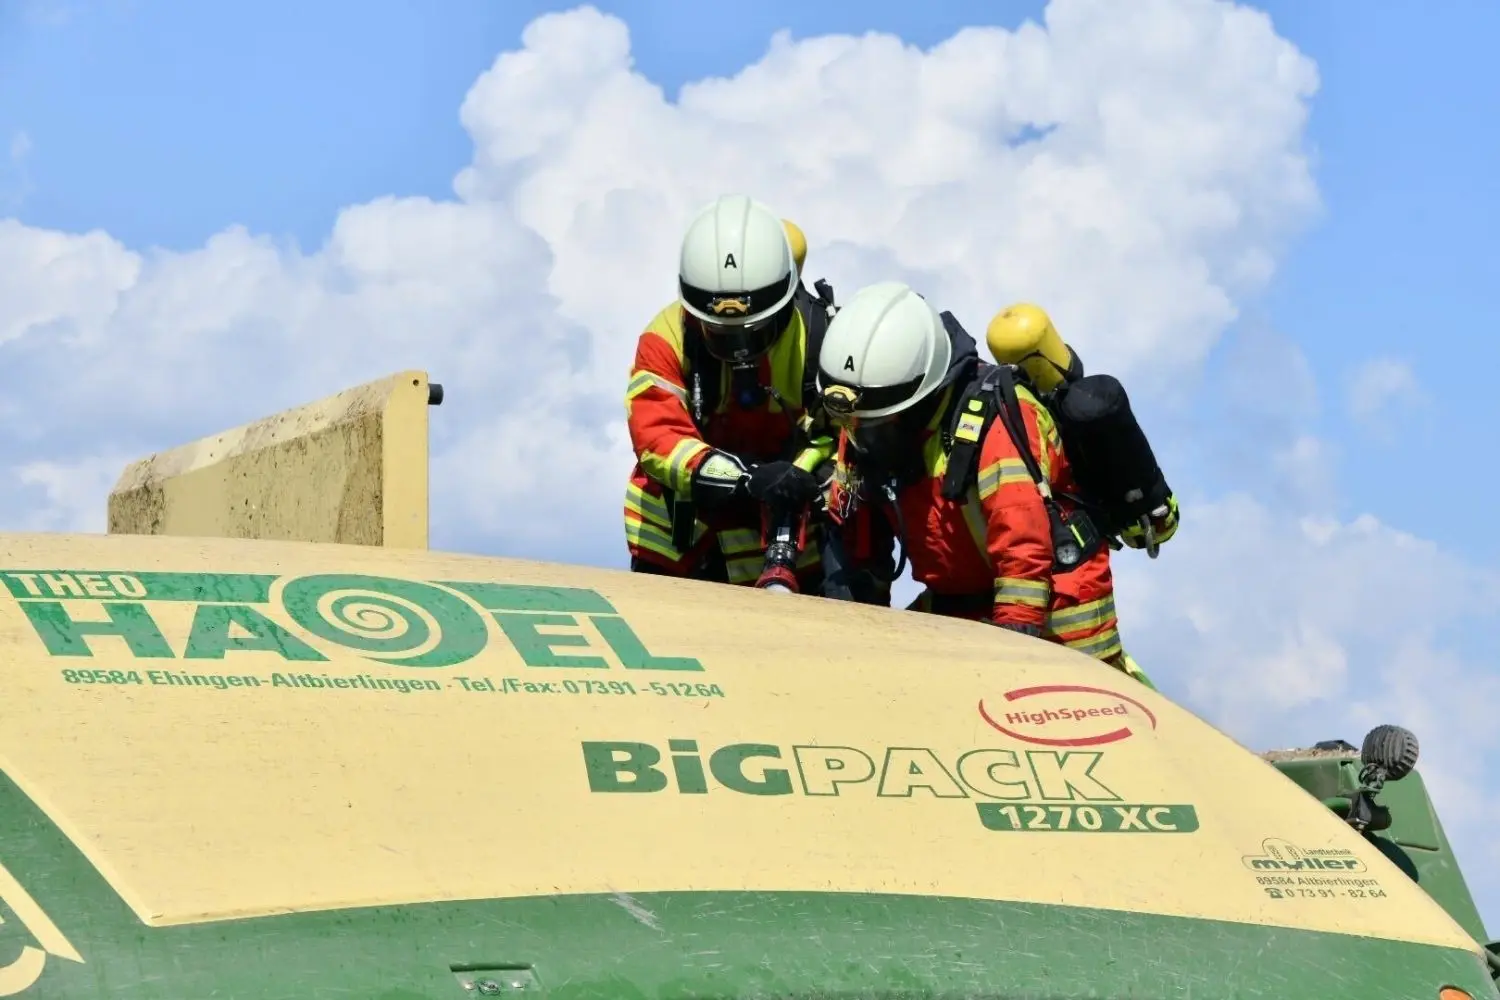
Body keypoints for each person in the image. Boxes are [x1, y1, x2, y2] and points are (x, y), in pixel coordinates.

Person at [813, 280, 1152, 685]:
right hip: (959, 603)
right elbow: (854, 533)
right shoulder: (867, 423)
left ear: (920, 396)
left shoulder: (997, 421)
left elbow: (1023, 544)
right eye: (851, 421)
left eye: (877, 422)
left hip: (1057, 609)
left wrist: (1009, 654)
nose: (860, 432)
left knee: (1077, 711)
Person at [622, 194, 837, 590]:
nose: (739, 347)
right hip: (677, 548)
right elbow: (657, 436)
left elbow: (844, 439)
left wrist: (803, 475)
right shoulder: (665, 337)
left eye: (754, 331)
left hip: (785, 554)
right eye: (720, 332)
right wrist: (743, 477)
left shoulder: (825, 342)